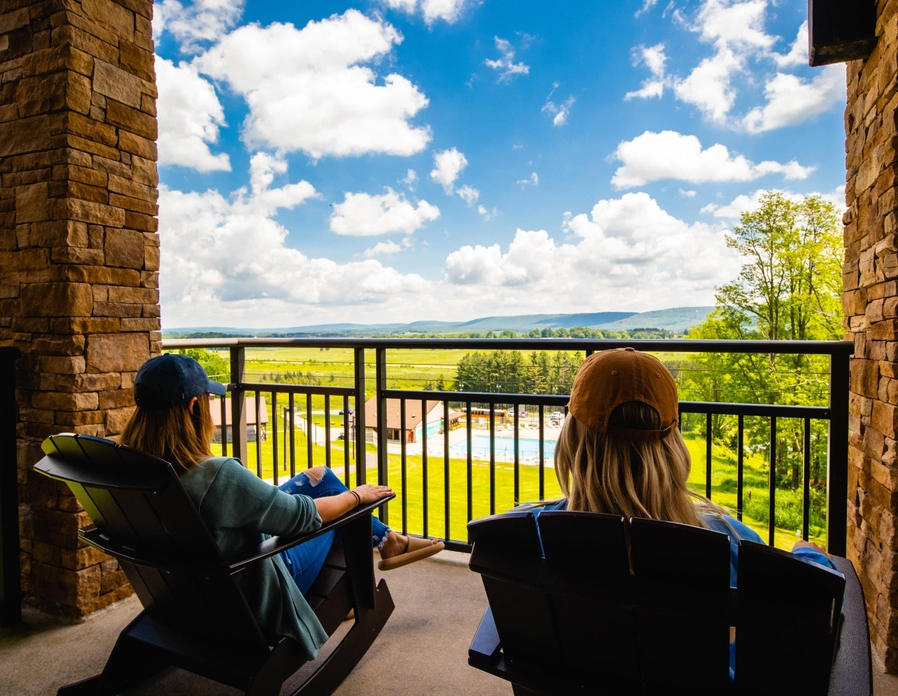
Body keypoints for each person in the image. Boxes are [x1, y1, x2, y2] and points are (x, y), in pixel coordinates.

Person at [119, 353, 443, 658]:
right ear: (193, 407)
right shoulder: (216, 476)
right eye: (208, 401)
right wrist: (357, 497)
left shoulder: (126, 469)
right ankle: (375, 562)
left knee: (322, 477)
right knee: (342, 514)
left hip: (185, 591)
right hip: (253, 585)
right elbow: (303, 518)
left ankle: (389, 542)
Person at [538, 347, 835, 581]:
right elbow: (818, 596)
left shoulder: (529, 533)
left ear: (573, 439)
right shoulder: (729, 543)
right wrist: (811, 556)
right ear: (672, 444)